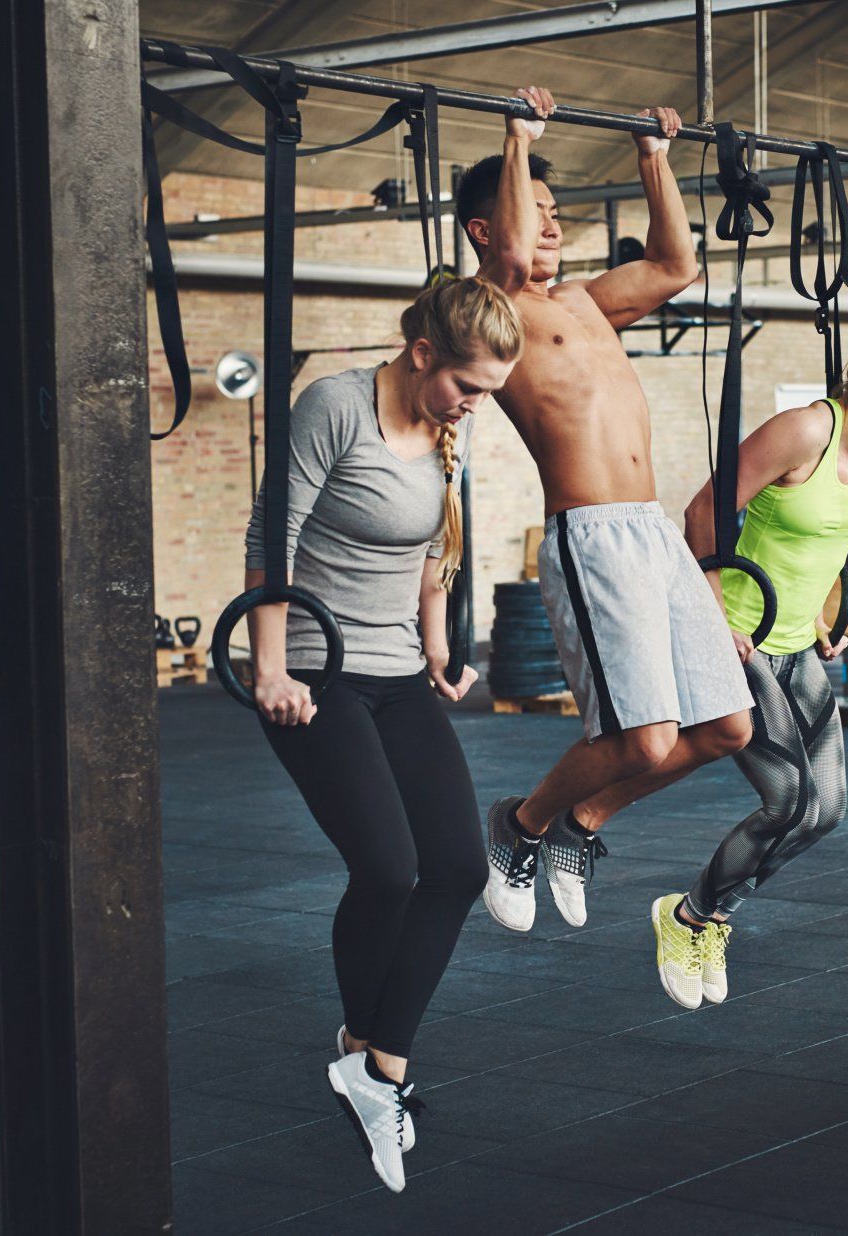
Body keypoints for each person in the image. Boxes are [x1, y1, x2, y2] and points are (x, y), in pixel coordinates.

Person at [245, 278, 522, 1193]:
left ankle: (369, 1060)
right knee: (389, 869)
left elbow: (432, 552)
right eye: (469, 388)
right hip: (318, 677)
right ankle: (379, 1068)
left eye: (486, 393)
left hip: (399, 674)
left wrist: (441, 654)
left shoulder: (451, 425)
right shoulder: (334, 408)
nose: (477, 406)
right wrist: (271, 667)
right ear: (422, 355)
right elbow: (271, 538)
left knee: (457, 869)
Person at [459, 87, 754, 935]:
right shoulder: (494, 311)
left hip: (652, 532)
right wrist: (518, 139)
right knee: (642, 738)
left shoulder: (586, 300)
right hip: (592, 539)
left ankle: (583, 823)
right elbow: (512, 256)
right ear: (486, 229)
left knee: (726, 727)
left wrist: (653, 158)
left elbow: (675, 265)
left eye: (557, 214)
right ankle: (519, 825)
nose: (552, 226)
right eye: (538, 211)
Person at [647, 322, 848, 1008]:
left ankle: (701, 915)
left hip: (795, 645)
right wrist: (715, 614)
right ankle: (690, 916)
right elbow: (702, 511)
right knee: (789, 801)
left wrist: (813, 617)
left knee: (828, 808)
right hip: (742, 638)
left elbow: (812, 542)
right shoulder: (807, 429)